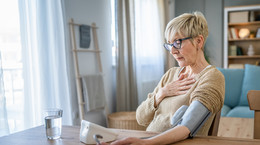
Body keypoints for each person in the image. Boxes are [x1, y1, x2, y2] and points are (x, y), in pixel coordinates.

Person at [100, 11, 225, 145]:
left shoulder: (212, 77)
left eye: (177, 42)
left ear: (199, 41)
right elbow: (141, 118)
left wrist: (145, 143)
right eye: (170, 44)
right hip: (150, 140)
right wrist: (161, 93)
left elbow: (187, 127)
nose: (172, 51)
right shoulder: (171, 74)